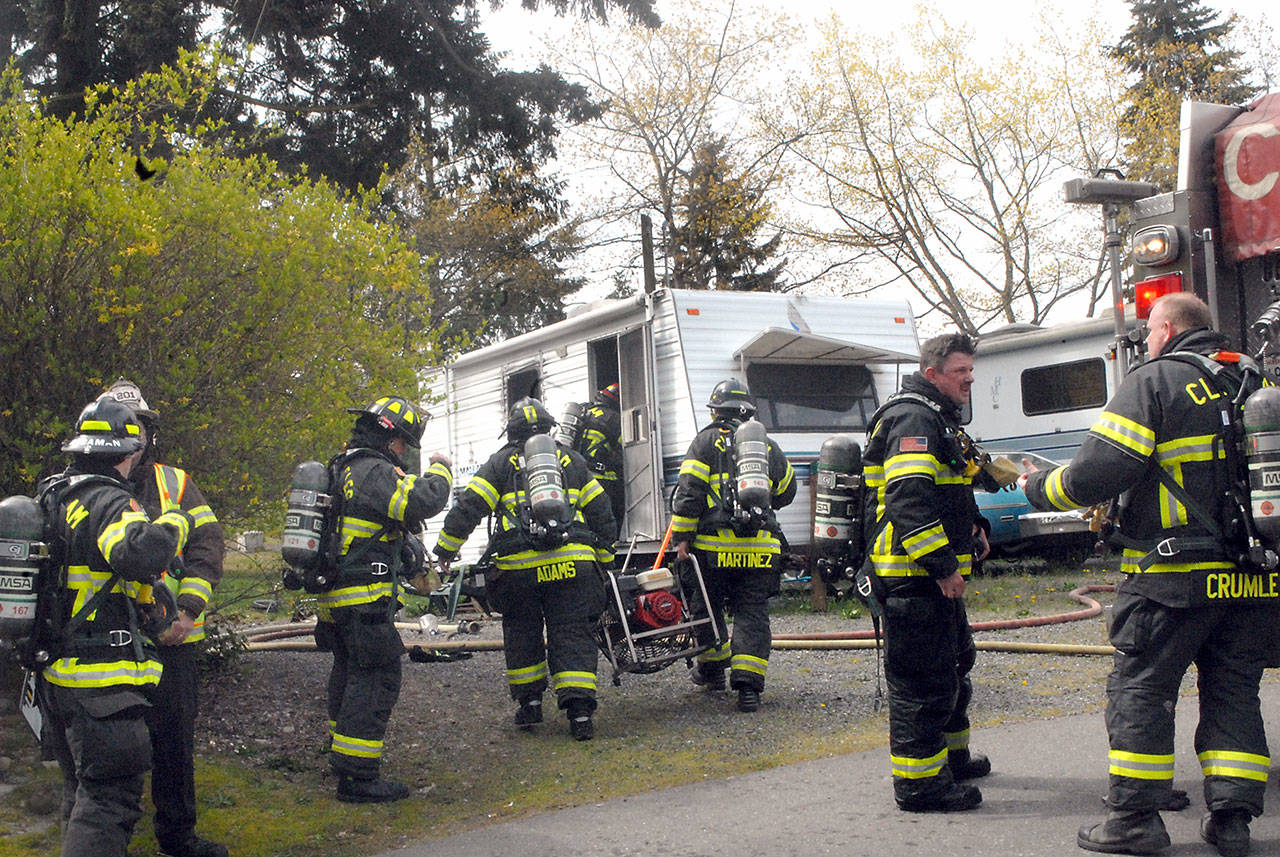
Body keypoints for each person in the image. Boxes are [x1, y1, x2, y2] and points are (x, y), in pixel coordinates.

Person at [1024, 292, 1277, 857]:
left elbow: (1100, 469)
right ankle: (1233, 822)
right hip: (1250, 577)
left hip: (1171, 575)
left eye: (1147, 333)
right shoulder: (1252, 384)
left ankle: (1135, 818)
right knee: (1235, 692)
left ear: (1163, 330)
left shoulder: (1156, 380)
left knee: (1141, 690)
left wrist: (1039, 487)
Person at [39, 397, 193, 857]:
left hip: (59, 677)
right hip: (103, 681)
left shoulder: (55, 497)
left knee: (83, 794)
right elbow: (139, 554)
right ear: (128, 453)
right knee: (110, 801)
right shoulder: (109, 500)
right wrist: (173, 524)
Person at [859, 333, 994, 813]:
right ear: (933, 372)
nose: (970, 379)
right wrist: (939, 565)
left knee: (955, 665)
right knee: (923, 682)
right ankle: (919, 785)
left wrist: (974, 527)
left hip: (931, 578)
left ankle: (951, 760)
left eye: (971, 371)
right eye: (962, 371)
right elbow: (908, 498)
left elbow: (948, 489)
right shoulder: (913, 417)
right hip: (912, 578)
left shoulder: (936, 417)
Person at [432, 397, 616, 740]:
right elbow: (601, 509)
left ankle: (530, 705)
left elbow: (470, 506)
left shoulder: (499, 464)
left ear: (511, 432)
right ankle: (579, 715)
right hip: (572, 567)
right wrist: (605, 560)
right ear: (549, 428)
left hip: (519, 572)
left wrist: (445, 549)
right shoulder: (571, 461)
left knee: (521, 632)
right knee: (572, 632)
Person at [100, 379, 227, 857]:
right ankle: (108, 837)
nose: (134, 436)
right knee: (112, 747)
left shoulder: (175, 483)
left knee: (174, 741)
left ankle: (177, 835)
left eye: (141, 427)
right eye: (125, 427)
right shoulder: (87, 487)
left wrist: (188, 613)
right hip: (109, 643)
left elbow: (208, 546)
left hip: (172, 642)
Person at [314, 396, 452, 803]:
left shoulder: (340, 467)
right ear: (389, 438)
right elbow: (422, 500)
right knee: (377, 677)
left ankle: (342, 757)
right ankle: (357, 777)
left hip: (337, 598)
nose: (405, 453)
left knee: (351, 672)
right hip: (365, 597)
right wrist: (441, 469)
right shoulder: (373, 470)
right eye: (403, 444)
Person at [671, 378, 796, 713]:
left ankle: (712, 672)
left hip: (714, 551)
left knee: (706, 609)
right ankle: (748, 689)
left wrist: (681, 540)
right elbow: (786, 491)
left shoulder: (705, 442)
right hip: (760, 550)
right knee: (752, 613)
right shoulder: (765, 445)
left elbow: (689, 494)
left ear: (716, 411)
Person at [577, 383, 625, 528]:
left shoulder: (585, 413)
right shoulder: (615, 418)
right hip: (603, 478)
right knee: (609, 516)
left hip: (580, 476)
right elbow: (626, 448)